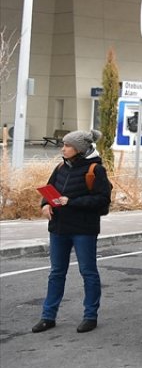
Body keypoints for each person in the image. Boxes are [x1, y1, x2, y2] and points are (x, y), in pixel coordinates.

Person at [31, 129, 112, 334]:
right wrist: (45, 205)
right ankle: (48, 316)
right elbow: (50, 189)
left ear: (79, 149)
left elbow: (103, 201)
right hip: (58, 228)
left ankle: (90, 316)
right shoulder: (60, 167)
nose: (63, 148)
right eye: (64, 145)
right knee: (56, 273)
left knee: (88, 272)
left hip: (83, 229)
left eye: (67, 146)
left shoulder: (95, 169)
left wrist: (71, 202)